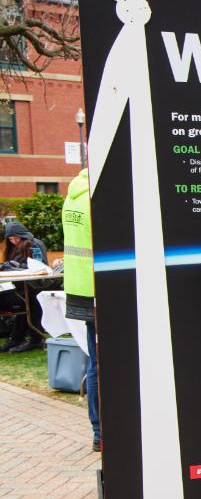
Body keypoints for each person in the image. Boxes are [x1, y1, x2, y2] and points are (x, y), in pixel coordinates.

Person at [61, 169, 101, 451]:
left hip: (79, 289)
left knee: (95, 360)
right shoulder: (95, 197)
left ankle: (99, 431)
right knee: (103, 364)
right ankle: (103, 430)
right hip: (98, 289)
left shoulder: (72, 195)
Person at [0, 221, 49, 353]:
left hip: (36, 287)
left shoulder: (35, 244)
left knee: (29, 301)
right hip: (23, 287)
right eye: (10, 239)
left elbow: (41, 266)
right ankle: (17, 338)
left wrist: (15, 266)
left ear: (23, 235)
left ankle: (31, 339)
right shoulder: (14, 248)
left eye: (16, 238)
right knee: (22, 303)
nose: (14, 241)